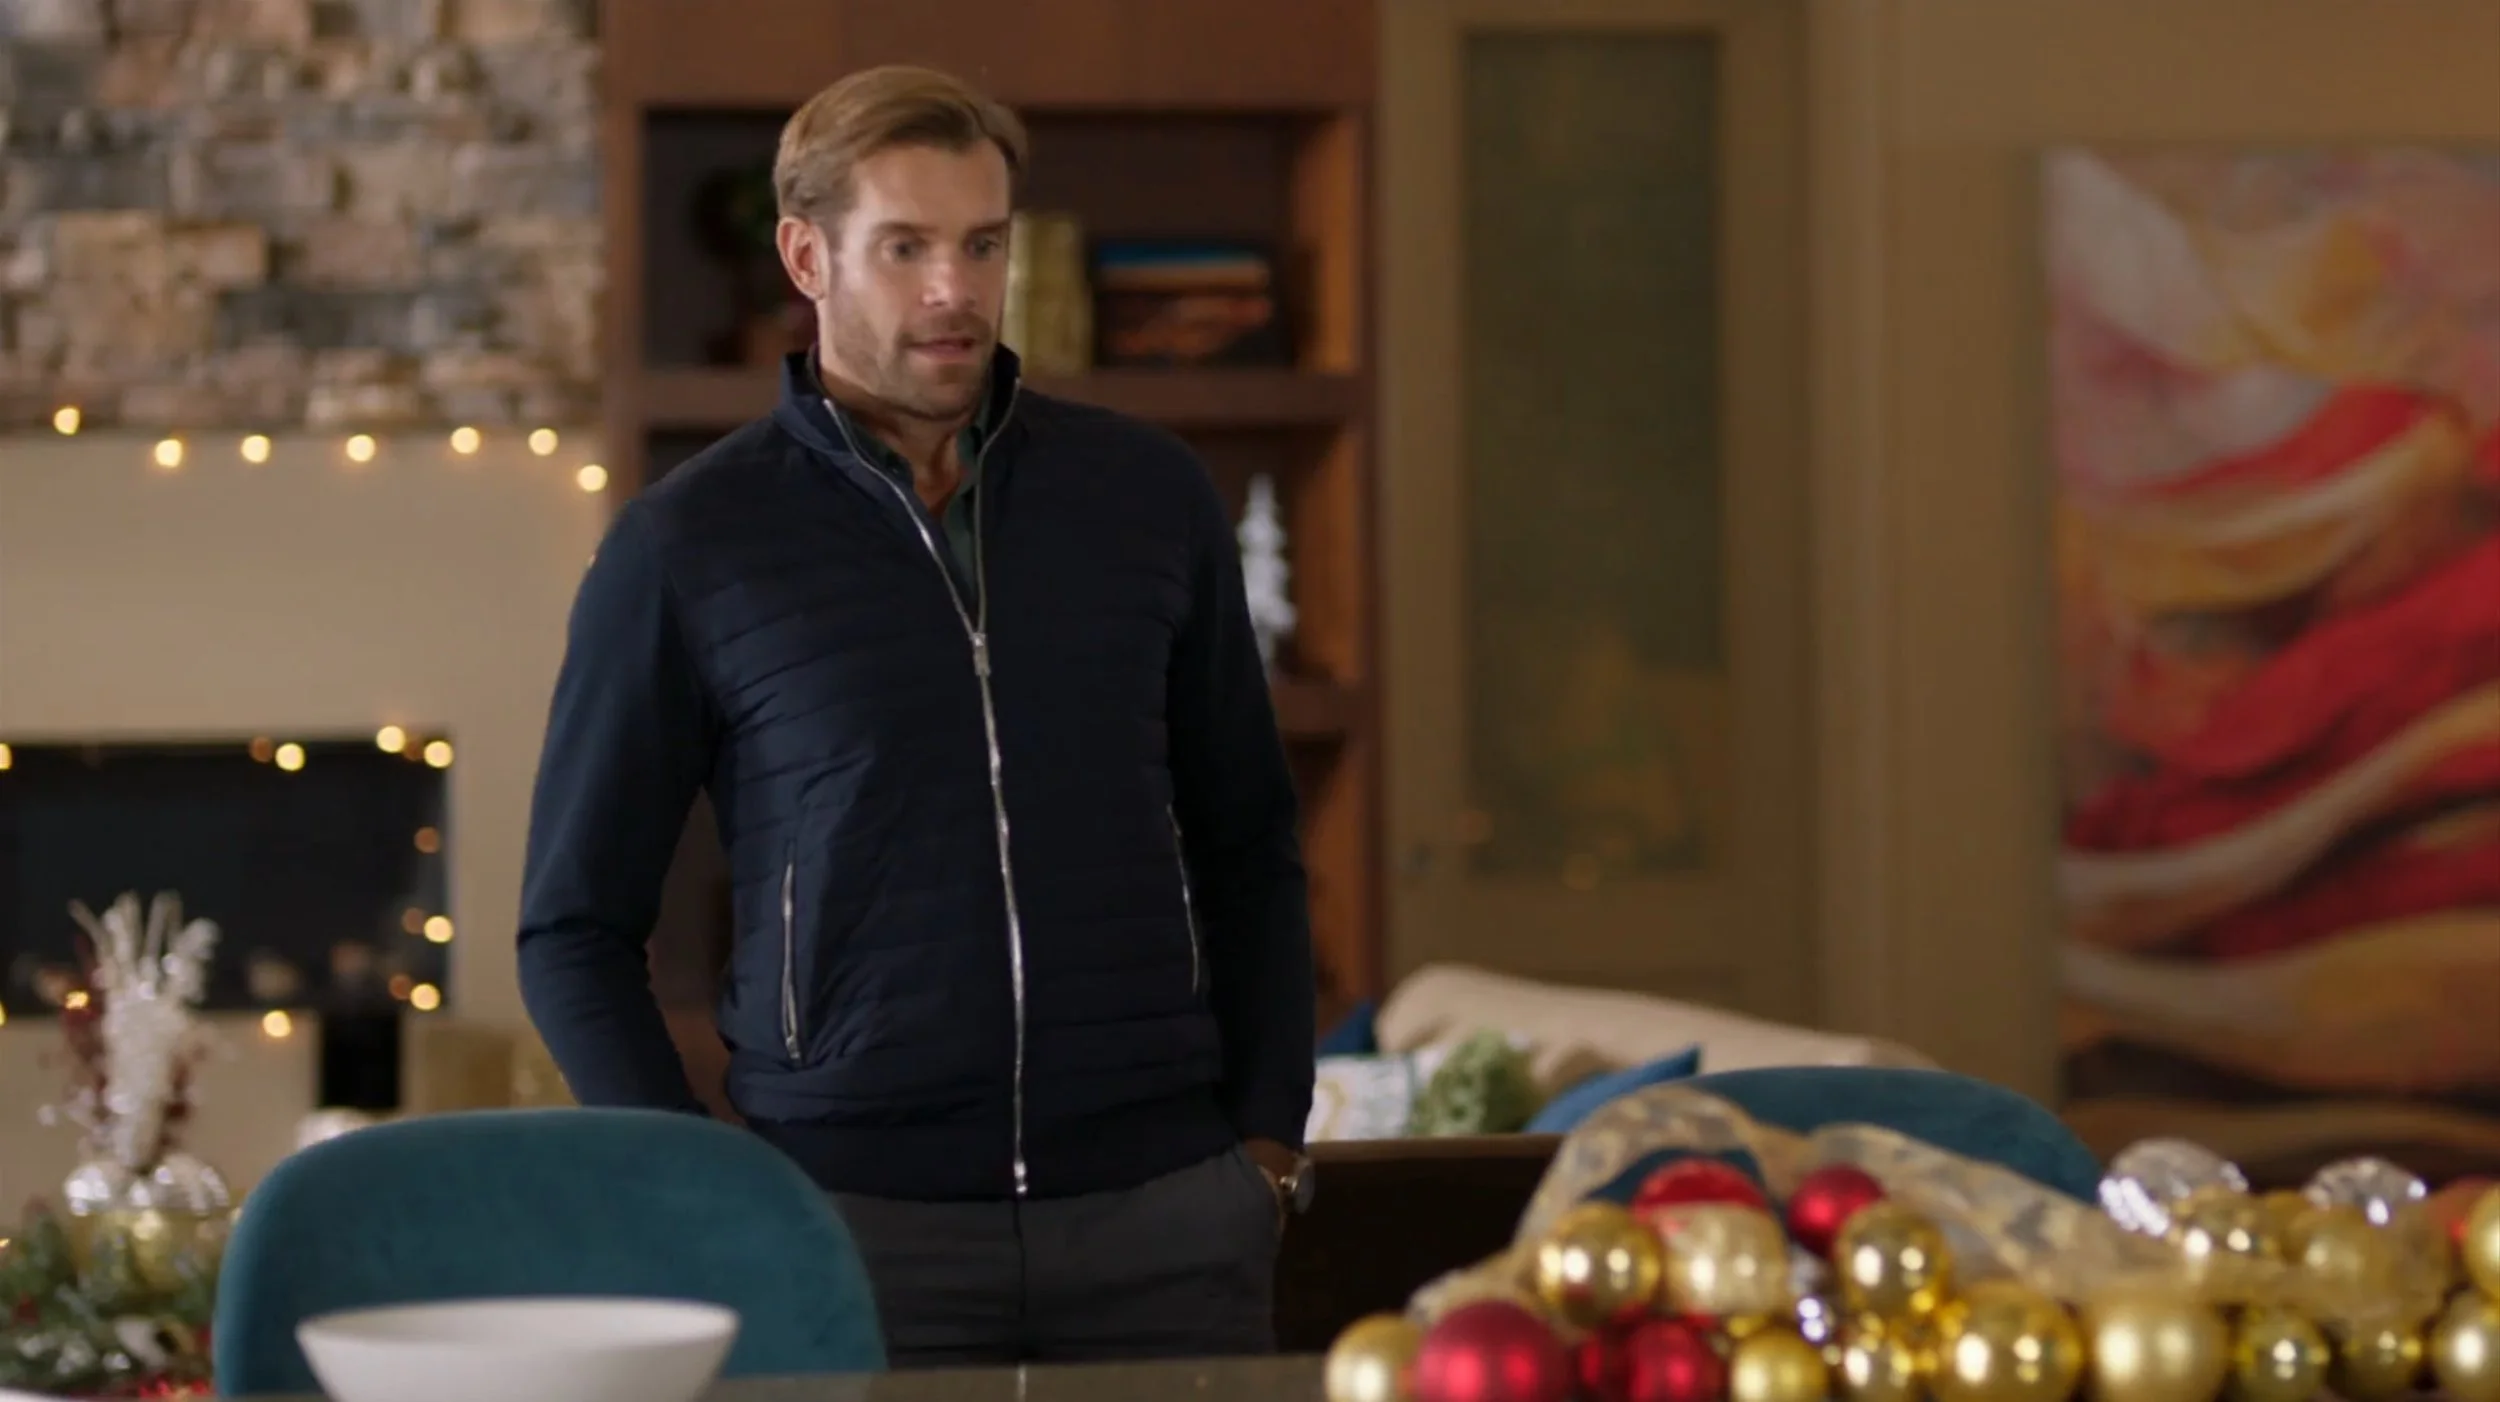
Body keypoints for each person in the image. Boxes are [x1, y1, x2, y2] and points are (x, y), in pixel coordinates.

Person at [513, 63, 1317, 1366]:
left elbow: (1250, 837)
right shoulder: (691, 544)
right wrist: (696, 1195)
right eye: (906, 248)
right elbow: (571, 928)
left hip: (1165, 1224)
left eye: (983, 244)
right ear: (807, 257)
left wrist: (1267, 1141)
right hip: (853, 1230)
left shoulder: (1147, 498)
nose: (956, 289)